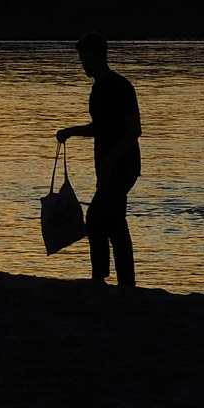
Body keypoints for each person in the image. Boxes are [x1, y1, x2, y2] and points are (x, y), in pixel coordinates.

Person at [55, 32, 141, 287]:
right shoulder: (98, 89)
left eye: (84, 58)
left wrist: (111, 162)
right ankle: (126, 283)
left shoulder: (121, 86)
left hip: (123, 166)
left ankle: (99, 277)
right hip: (108, 165)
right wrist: (71, 132)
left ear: (96, 57)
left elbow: (134, 130)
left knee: (95, 219)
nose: (82, 64)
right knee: (114, 222)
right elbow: (101, 127)